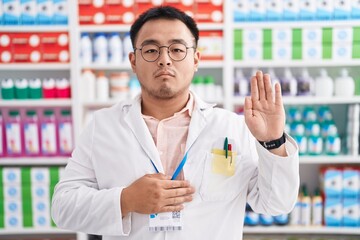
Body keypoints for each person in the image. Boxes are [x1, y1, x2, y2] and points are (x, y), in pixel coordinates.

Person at [51, 6, 299, 240]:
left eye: (177, 50)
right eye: (150, 50)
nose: (164, 60)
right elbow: (62, 207)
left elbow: (276, 204)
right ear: (133, 61)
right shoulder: (103, 126)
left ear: (196, 60)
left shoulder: (231, 127)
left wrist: (273, 141)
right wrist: (125, 200)